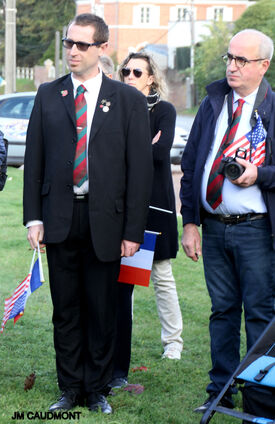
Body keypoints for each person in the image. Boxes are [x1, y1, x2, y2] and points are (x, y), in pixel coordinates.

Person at [23, 13, 153, 415]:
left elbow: (139, 170)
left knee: (101, 309)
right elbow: (35, 160)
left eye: (82, 45)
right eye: (68, 43)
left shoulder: (128, 99)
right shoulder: (48, 94)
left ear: (102, 48)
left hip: (107, 222)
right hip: (60, 219)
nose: (72, 51)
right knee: (66, 310)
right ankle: (69, 387)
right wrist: (34, 218)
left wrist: (133, 229)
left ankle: (96, 389)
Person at [180, 29, 275, 412]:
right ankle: (220, 390)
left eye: (242, 60)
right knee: (222, 312)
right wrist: (190, 222)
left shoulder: (271, 108)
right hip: (215, 227)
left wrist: (260, 175)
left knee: (259, 315)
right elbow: (190, 165)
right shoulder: (213, 102)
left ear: (263, 66)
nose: (232, 66)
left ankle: (259, 398)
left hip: (256, 230)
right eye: (229, 58)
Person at [109, 52, 183, 389]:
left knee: (161, 274)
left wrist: (133, 147)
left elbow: (159, 152)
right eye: (125, 71)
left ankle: (174, 344)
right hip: (126, 207)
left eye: (137, 72)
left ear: (152, 77)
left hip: (156, 205)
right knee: (127, 279)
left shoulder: (163, 110)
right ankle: (123, 345)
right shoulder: (116, 107)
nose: (129, 76)